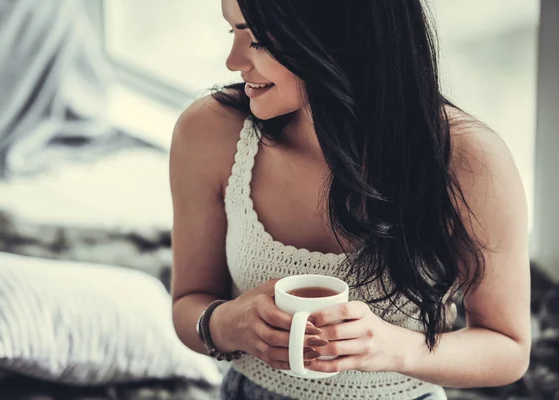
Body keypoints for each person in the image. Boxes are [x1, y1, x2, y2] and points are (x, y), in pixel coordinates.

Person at [170, 0, 531, 399]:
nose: (233, 61)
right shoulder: (209, 131)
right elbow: (187, 305)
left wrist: (390, 347)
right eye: (233, 30)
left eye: (258, 41)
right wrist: (226, 323)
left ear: (339, 37)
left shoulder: (469, 160)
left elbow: (508, 349)